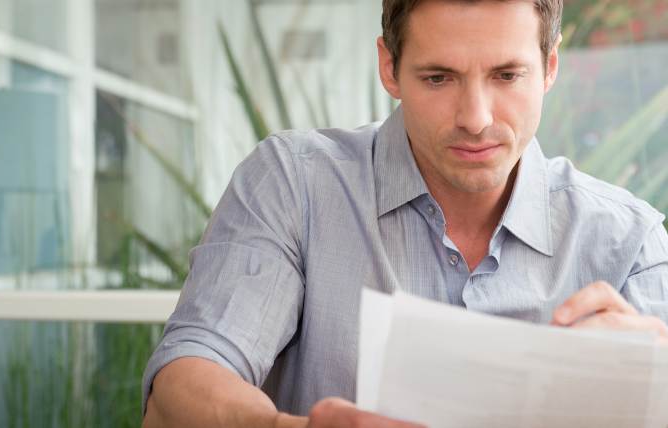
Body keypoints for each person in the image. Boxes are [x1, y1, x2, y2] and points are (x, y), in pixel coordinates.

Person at [142, 0, 668, 426]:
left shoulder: (630, 239)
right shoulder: (293, 183)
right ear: (389, 68)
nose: (476, 119)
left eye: (507, 75)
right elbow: (183, 382)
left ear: (550, 67)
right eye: (439, 78)